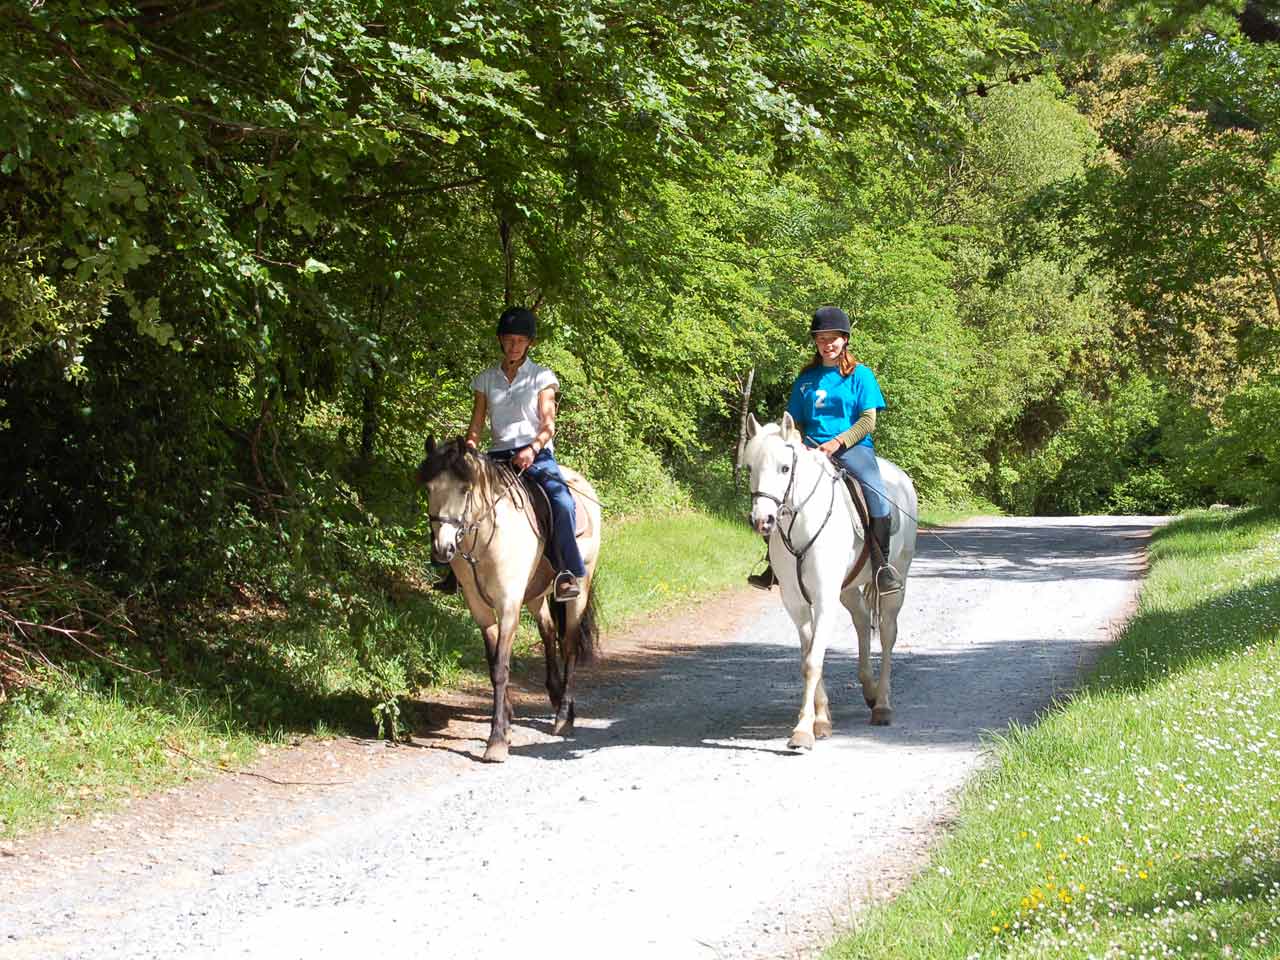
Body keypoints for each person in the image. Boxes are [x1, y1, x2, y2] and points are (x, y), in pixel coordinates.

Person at [747, 305, 904, 594]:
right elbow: (793, 422)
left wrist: (837, 443)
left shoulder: (860, 376)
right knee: (776, 496)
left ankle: (882, 566)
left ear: (845, 339)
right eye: (821, 339)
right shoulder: (806, 379)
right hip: (810, 451)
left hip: (852, 449)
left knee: (876, 496)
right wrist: (797, 443)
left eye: (833, 338)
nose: (827, 344)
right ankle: (774, 564)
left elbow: (868, 420)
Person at [434, 305, 585, 601]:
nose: (513, 346)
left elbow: (548, 424)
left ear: (530, 343)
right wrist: (469, 453)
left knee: (562, 501)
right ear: (501, 341)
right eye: (508, 340)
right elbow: (476, 426)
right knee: (454, 494)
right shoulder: (486, 379)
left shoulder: (542, 377)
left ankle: (567, 573)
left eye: (520, 340)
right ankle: (453, 571)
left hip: (535, 454)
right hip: (497, 457)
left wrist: (533, 448)